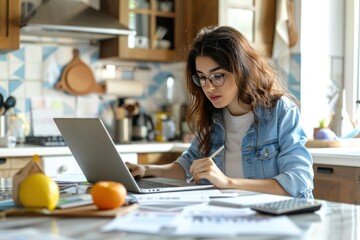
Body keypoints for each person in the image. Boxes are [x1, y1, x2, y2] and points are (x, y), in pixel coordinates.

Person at [126, 26, 314, 199]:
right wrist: (147, 169)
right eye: (202, 78)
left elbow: (298, 182)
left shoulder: (281, 111)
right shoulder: (213, 116)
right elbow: (188, 165)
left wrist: (227, 183)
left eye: (217, 76)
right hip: (236, 215)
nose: (208, 87)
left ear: (242, 69)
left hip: (279, 218)